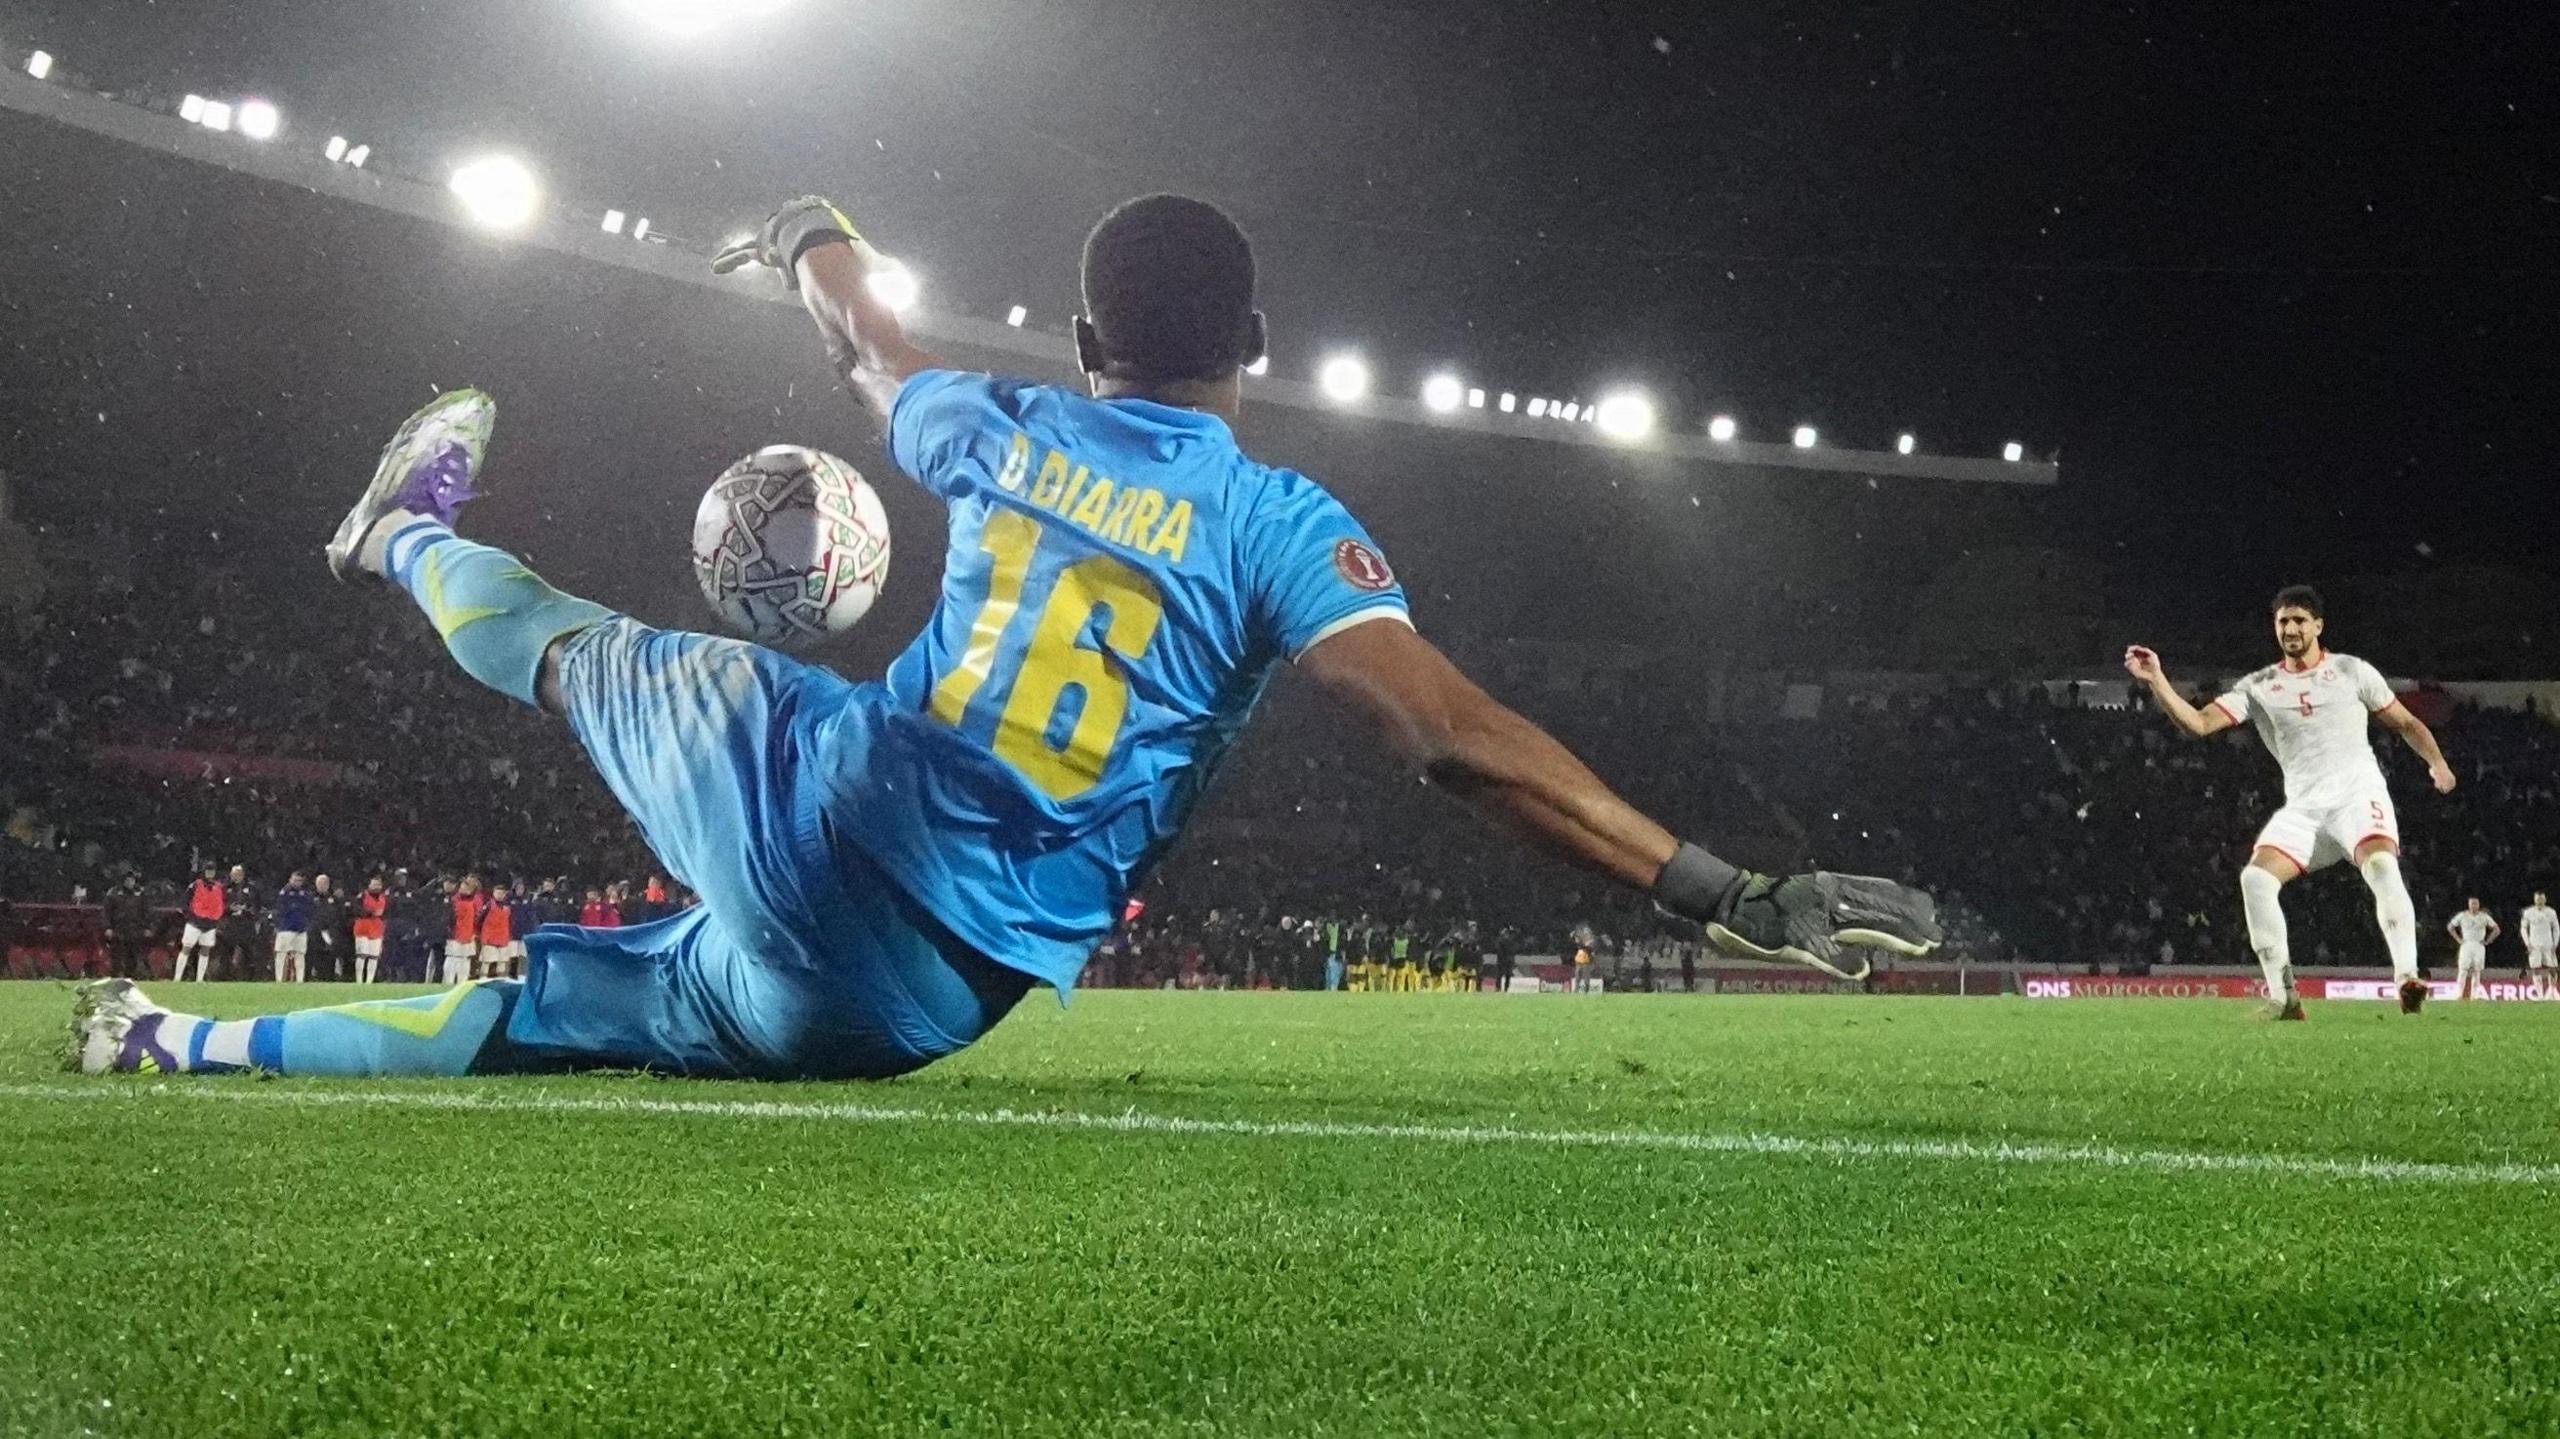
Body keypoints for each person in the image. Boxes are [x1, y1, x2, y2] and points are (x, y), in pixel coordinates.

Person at [69, 191, 1936, 1079]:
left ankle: (398, 535)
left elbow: (867, 338)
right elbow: (1448, 733)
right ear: (1256, 354)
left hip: (831, 794)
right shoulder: (1281, 524)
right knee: (553, 1023)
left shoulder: (997, 425)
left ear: (1087, 339)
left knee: (565, 634)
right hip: (908, 1007)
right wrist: (1727, 891)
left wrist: (812, 237)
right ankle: (178, 1039)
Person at [2125, 585, 2452, 1019]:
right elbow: (2200, 724)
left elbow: (2407, 723)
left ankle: (2407, 977)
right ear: (2275, 629)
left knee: (2380, 865)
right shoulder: (2261, 686)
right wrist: (2157, 681)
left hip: (2358, 795)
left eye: (2299, 620)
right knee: (2255, 880)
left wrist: (2437, 764)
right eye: (2283, 621)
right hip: (2303, 809)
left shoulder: (2352, 671)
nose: (2291, 628)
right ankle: (2285, 998)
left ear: (2318, 625)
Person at [175, 865, 224, 982]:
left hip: (210, 923)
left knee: (205, 950)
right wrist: (189, 916)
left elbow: (221, 903)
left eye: (212, 871)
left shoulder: (219, 887)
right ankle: (177, 978)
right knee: (186, 948)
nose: (210, 873)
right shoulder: (195, 885)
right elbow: (184, 902)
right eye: (208, 871)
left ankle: (199, 979)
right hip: (194, 922)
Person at [2447, 898, 2500, 1001]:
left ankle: (2474, 995)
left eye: (2475, 904)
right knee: (2463, 969)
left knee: (2477, 970)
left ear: (2478, 905)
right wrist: (2458, 939)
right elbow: (2450, 926)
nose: (2474, 906)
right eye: (2472, 904)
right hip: (2466, 944)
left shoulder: (2484, 917)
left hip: (2478, 944)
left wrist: (2488, 941)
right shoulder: (2462, 916)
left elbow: (2496, 929)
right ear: (2469, 905)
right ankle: (2459, 994)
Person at [102, 873, 152, 979]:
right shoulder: (113, 893)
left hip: (135, 928)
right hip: (118, 928)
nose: (130, 882)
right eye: (128, 880)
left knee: (132, 954)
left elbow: (146, 911)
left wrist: (147, 927)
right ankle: (115, 976)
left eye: (132, 880)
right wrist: (107, 927)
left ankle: (130, 976)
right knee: (116, 954)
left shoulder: (140, 893)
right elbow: (107, 912)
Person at [444, 875, 485, 986]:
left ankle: (461, 983)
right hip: (455, 934)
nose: (462, 888)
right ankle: (448, 983)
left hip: (468, 934)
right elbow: (449, 917)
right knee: (452, 958)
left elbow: (477, 918)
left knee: (465, 959)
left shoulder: (474, 901)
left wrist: (474, 932)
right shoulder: (454, 900)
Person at [272, 872, 313, 983]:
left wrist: (306, 924)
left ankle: (300, 979)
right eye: (295, 880)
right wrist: (279, 925)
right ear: (290, 879)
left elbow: (309, 910)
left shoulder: (305, 894)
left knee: (300, 954)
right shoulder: (283, 893)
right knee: (281, 954)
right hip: (286, 929)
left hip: (301, 929)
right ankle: (279, 979)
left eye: (299, 880)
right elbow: (279, 910)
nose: (297, 882)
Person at [308, 874, 347, 983]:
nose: (322, 886)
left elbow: (340, 915)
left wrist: (334, 928)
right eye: (320, 883)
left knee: (330, 954)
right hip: (314, 931)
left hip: (330, 932)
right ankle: (314, 976)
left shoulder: (334, 900)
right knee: (315, 953)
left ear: (328, 885)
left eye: (325, 883)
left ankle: (329, 977)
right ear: (316, 884)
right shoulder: (310, 898)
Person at [351, 876, 389, 985]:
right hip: (363, 927)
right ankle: (359, 980)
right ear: (369, 885)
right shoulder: (363, 896)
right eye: (374, 884)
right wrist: (370, 912)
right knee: (362, 954)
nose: (376, 887)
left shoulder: (383, 897)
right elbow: (355, 909)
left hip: (377, 928)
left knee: (374, 956)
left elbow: (386, 912)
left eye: (378, 884)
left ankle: (369, 981)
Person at [2521, 890, 2557, 993]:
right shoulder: (2528, 912)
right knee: (2535, 968)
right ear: (2534, 899)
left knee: (2552, 967)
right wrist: (2527, 943)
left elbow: (2556, 928)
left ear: (2545, 899)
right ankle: (2539, 992)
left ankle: (2552, 991)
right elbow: (2523, 928)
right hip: (2534, 944)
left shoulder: (2551, 912)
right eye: (2538, 899)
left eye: (2541, 898)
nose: (2540, 901)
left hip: (2548, 943)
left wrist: (2555, 943)